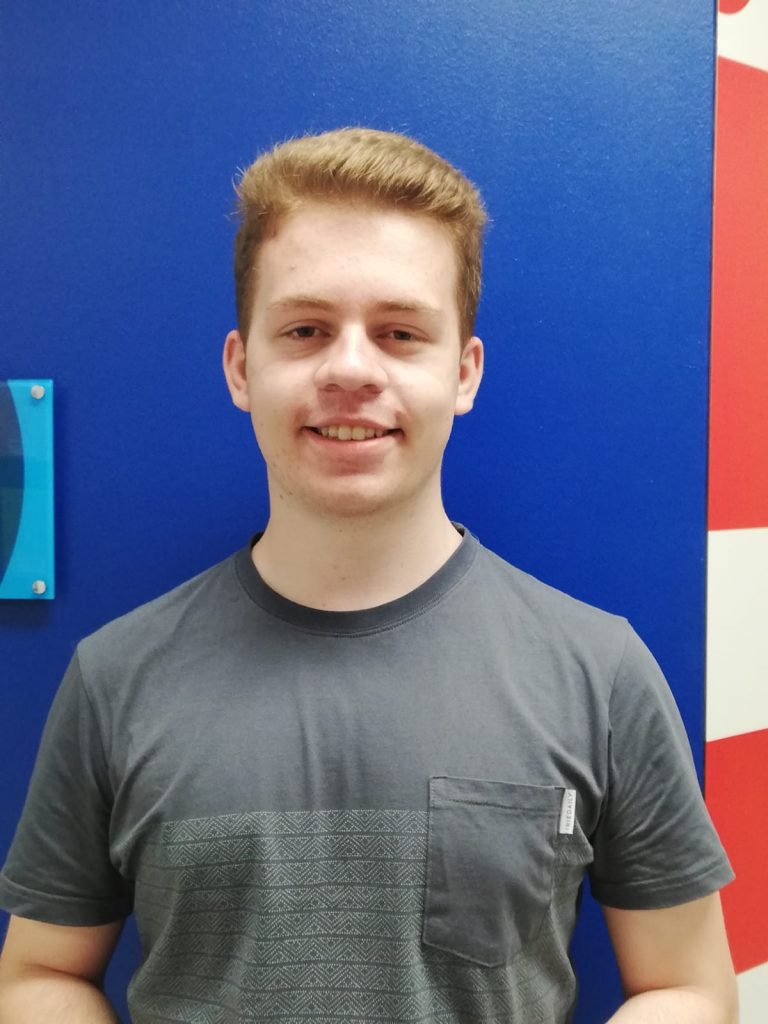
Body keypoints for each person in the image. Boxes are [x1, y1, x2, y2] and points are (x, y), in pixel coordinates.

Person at [0, 128, 737, 1023]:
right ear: (241, 367)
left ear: (463, 373)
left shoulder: (599, 673)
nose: (351, 369)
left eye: (399, 333)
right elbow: (40, 974)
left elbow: (688, 986)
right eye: (305, 329)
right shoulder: (115, 678)